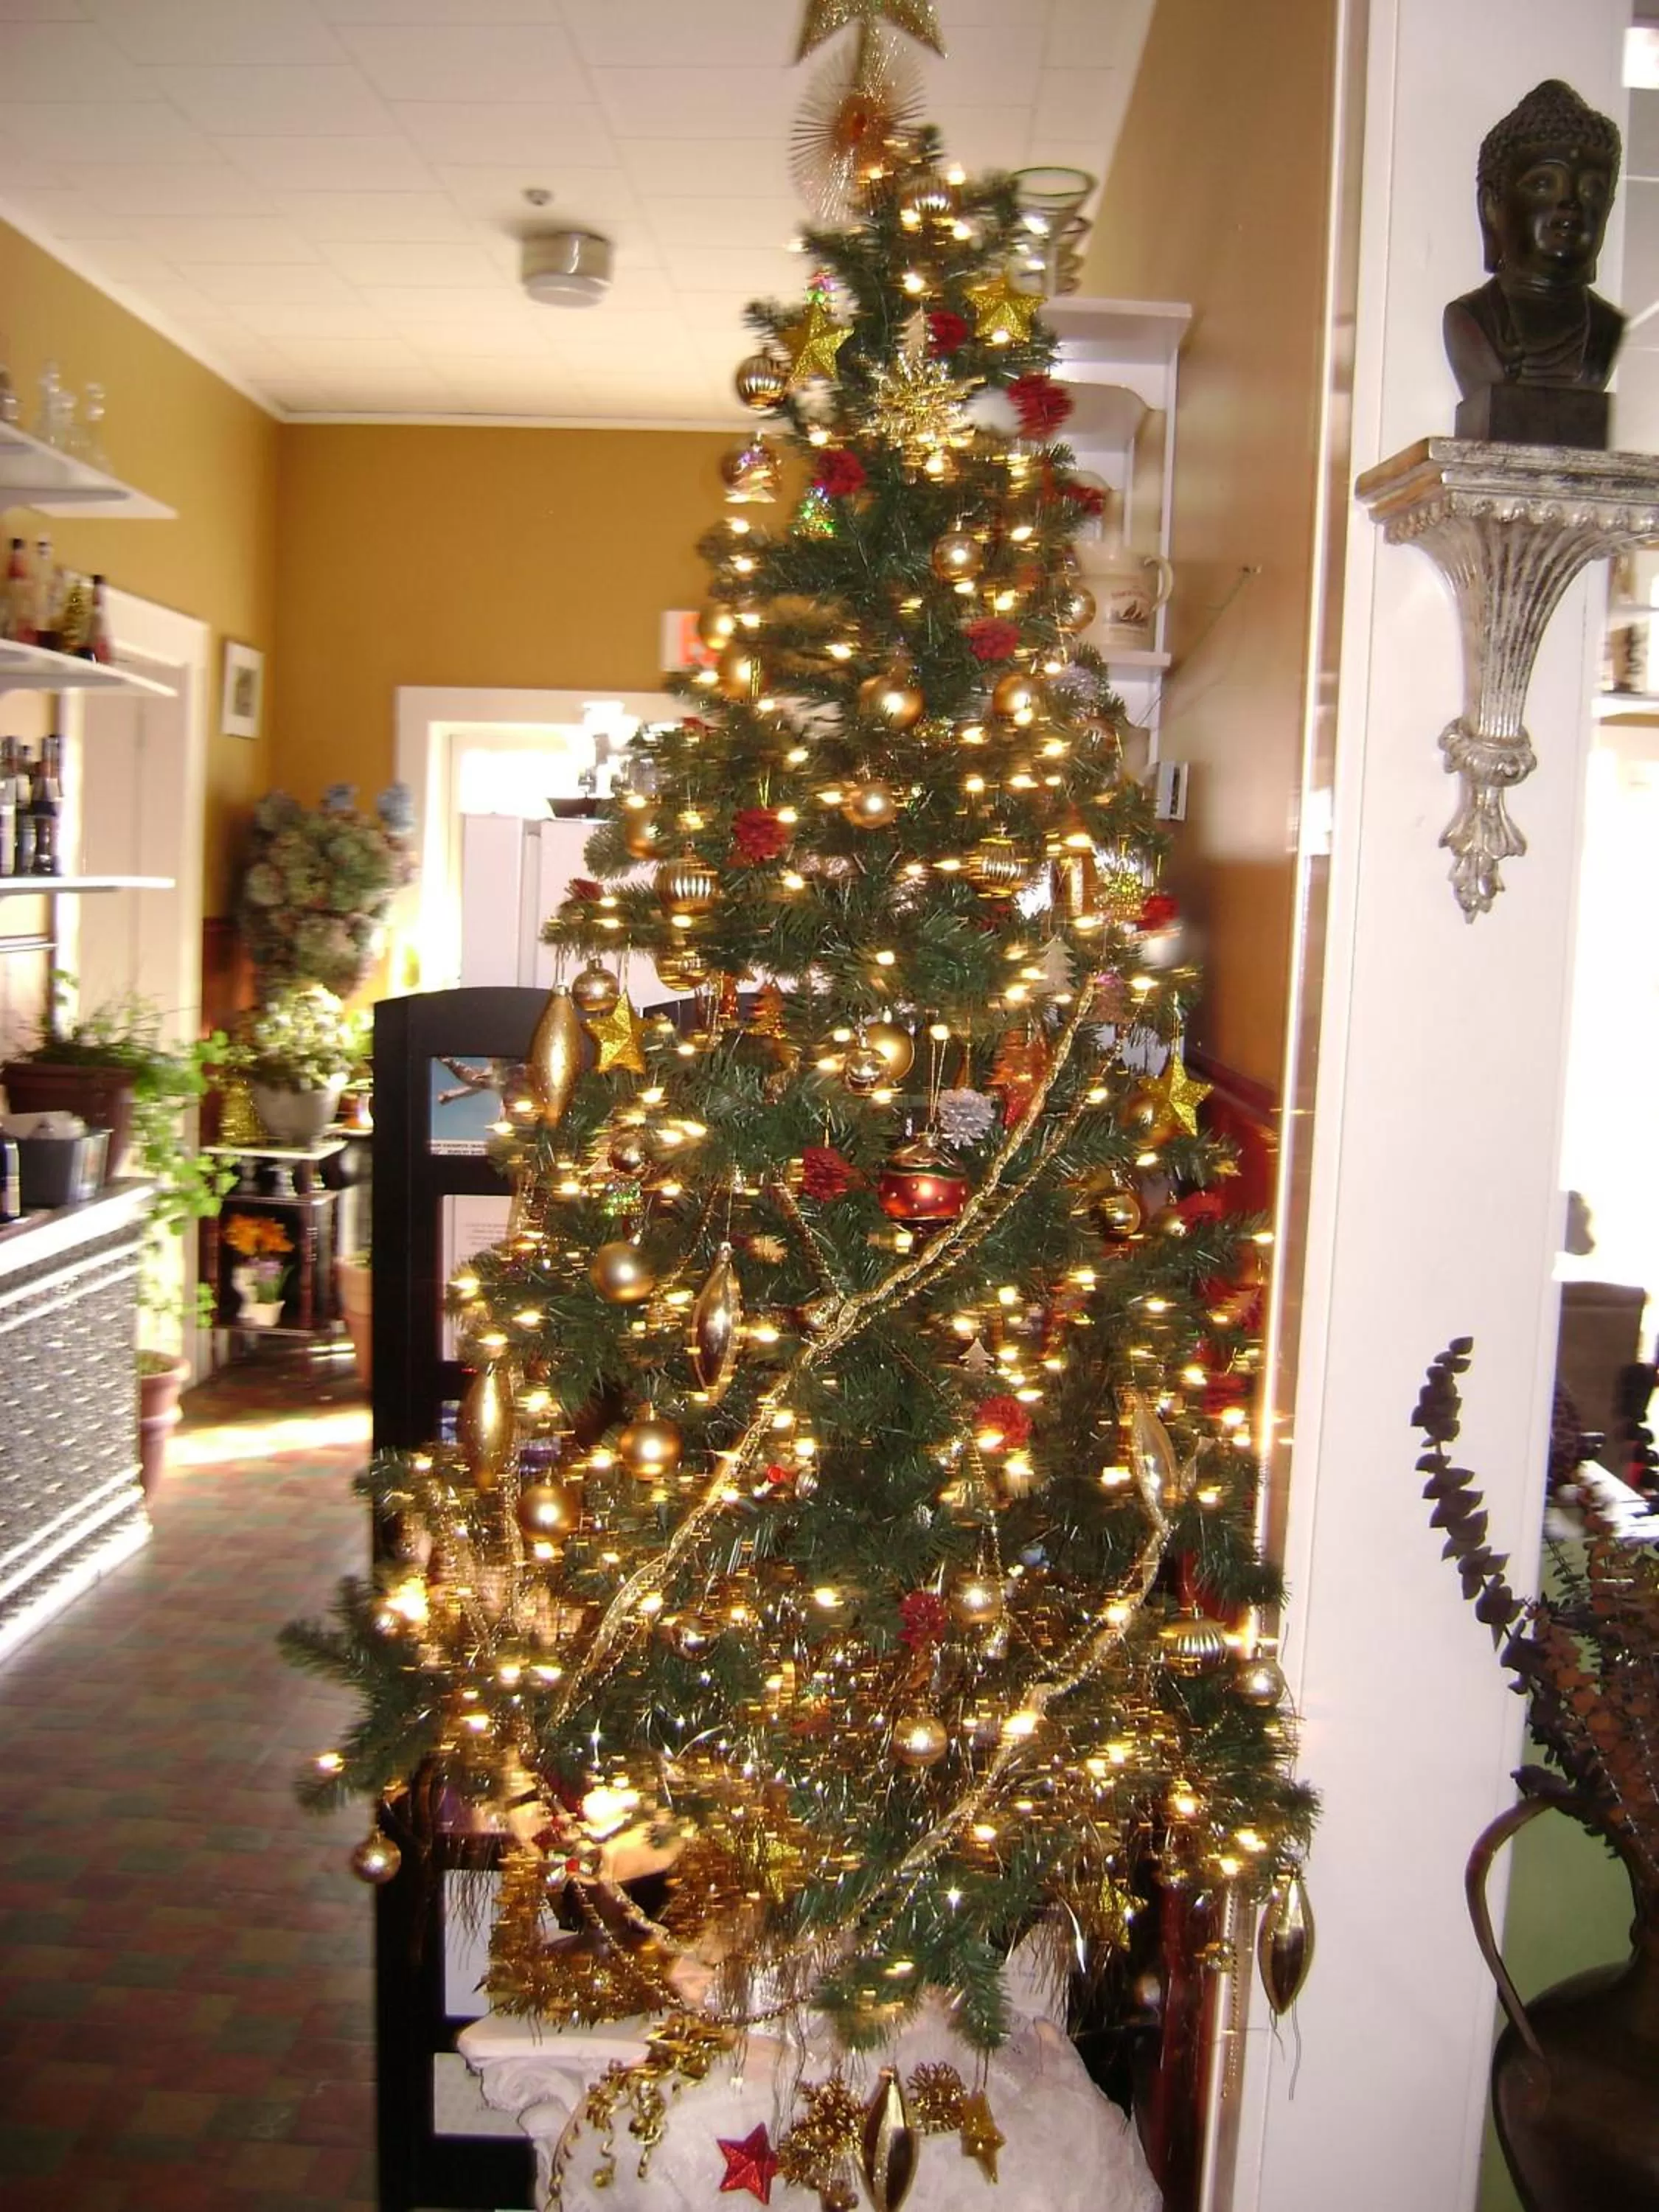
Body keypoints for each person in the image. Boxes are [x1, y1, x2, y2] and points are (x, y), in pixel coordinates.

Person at [1444, 78, 1624, 408]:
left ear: (1607, 209)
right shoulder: (1472, 320)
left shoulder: (1606, 328)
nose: (1569, 203)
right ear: (1492, 207)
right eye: (1543, 184)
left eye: (1591, 190)